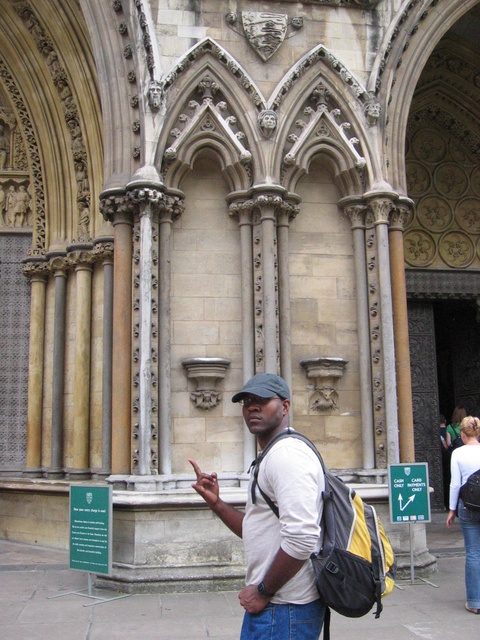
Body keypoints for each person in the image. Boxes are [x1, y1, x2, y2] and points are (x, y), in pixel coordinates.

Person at [189, 373, 326, 639]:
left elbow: (302, 538)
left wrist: (262, 591)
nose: (252, 406)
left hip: (285, 608)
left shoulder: (287, 456)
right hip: (277, 606)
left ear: (285, 406)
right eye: (247, 401)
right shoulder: (272, 454)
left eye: (262, 400)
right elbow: (257, 529)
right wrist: (217, 504)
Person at [446, 415, 480, 614]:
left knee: (474, 553)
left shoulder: (458, 453)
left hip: (467, 506)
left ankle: (475, 602)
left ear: (462, 433)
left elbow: (455, 484)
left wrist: (452, 510)